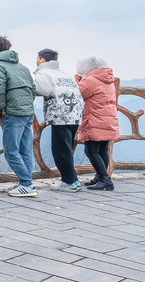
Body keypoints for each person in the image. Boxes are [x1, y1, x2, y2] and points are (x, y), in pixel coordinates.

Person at [0, 36, 37, 197]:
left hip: (13, 113)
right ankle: (25, 182)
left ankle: (27, 185)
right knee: (25, 149)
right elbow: (33, 89)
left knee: (11, 151)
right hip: (28, 112)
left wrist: (2, 108)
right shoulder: (22, 67)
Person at [33, 49, 84, 192]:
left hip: (60, 114)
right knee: (66, 149)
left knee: (60, 150)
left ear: (42, 60)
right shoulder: (64, 73)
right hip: (75, 113)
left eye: (37, 58)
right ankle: (72, 180)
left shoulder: (44, 73)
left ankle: (70, 182)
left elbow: (42, 90)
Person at [75, 56, 119, 191]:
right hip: (108, 118)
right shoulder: (107, 79)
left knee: (91, 150)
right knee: (102, 149)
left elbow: (77, 93)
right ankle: (101, 177)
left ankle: (105, 180)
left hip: (95, 119)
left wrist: (77, 80)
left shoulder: (91, 80)